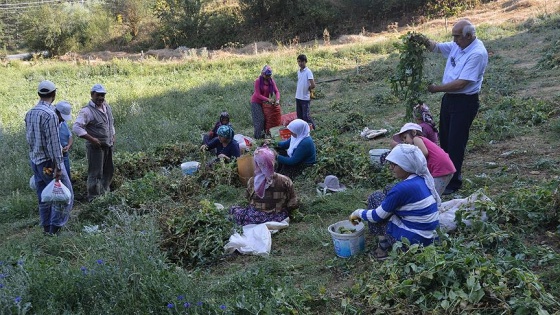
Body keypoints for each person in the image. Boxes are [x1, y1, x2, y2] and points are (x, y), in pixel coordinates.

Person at [421, 19, 488, 195]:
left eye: (457, 36)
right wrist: (422, 40)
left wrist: (436, 89)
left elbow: (461, 84)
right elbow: (436, 48)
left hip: (464, 101)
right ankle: (445, 175)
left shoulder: (477, 53)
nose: (454, 40)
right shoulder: (458, 45)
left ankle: (454, 182)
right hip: (449, 99)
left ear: (468, 35)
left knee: (456, 142)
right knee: (445, 138)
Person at [349, 144, 440, 259]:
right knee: (388, 189)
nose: (391, 167)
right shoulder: (422, 179)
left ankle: (383, 247)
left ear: (405, 165)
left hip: (411, 245)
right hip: (430, 240)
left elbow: (376, 216)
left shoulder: (401, 189)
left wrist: (357, 213)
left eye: (394, 164)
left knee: (375, 197)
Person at [25, 80, 74, 235]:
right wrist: (59, 167)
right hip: (49, 162)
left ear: (39, 94)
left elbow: (30, 139)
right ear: (54, 94)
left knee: (44, 196)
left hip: (36, 161)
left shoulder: (30, 112)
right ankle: (55, 230)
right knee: (63, 196)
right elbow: (53, 143)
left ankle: (46, 228)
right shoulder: (50, 115)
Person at [229, 146, 298, 226]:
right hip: (278, 216)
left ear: (257, 164)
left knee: (233, 209)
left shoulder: (252, 182)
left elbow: (248, 199)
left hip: (256, 217)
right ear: (273, 162)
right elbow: (293, 202)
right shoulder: (285, 180)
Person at [73, 84, 116, 201]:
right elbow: (77, 128)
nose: (100, 98)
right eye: (98, 95)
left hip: (108, 145)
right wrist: (92, 139)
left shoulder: (107, 107)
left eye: (102, 95)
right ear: (92, 95)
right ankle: (94, 197)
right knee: (95, 173)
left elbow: (110, 123)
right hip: (95, 147)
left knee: (109, 170)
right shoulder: (86, 111)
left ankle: (104, 192)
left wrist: (113, 135)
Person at [392, 123, 456, 196]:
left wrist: (414, 162)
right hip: (444, 169)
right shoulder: (421, 141)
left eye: (405, 137)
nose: (405, 141)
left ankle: (434, 206)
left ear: (414, 132)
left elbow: (424, 153)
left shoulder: (417, 139)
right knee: (432, 192)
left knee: (432, 195)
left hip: (441, 170)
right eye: (402, 140)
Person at [250, 65, 281, 138]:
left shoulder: (271, 81)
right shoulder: (258, 81)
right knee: (260, 120)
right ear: (263, 74)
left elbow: (277, 91)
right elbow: (258, 94)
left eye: (269, 75)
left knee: (267, 119)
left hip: (264, 103)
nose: (268, 77)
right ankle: (257, 137)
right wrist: (268, 99)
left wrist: (277, 99)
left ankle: (264, 135)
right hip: (256, 102)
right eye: (267, 75)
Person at [295, 54, 316, 129]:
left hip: (305, 98)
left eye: (301, 61)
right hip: (298, 96)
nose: (300, 63)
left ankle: (313, 128)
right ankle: (303, 130)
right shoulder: (299, 72)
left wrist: (308, 89)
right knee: (300, 116)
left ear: (305, 61)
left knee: (306, 116)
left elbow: (313, 85)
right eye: (298, 62)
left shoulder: (308, 71)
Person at [55, 101, 73, 182]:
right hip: (54, 156)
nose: (63, 119)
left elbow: (70, 136)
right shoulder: (52, 124)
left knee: (67, 177)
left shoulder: (63, 123)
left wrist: (68, 146)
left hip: (64, 154)